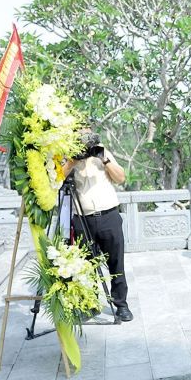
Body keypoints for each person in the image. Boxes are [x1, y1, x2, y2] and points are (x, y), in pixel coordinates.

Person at [64, 132, 133, 322]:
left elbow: (120, 178)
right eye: (80, 135)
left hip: (109, 215)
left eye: (87, 135)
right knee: (86, 265)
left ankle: (121, 305)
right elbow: (56, 180)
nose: (84, 140)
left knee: (116, 263)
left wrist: (104, 158)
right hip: (82, 218)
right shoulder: (68, 155)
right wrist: (72, 161)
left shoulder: (102, 152)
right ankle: (90, 305)